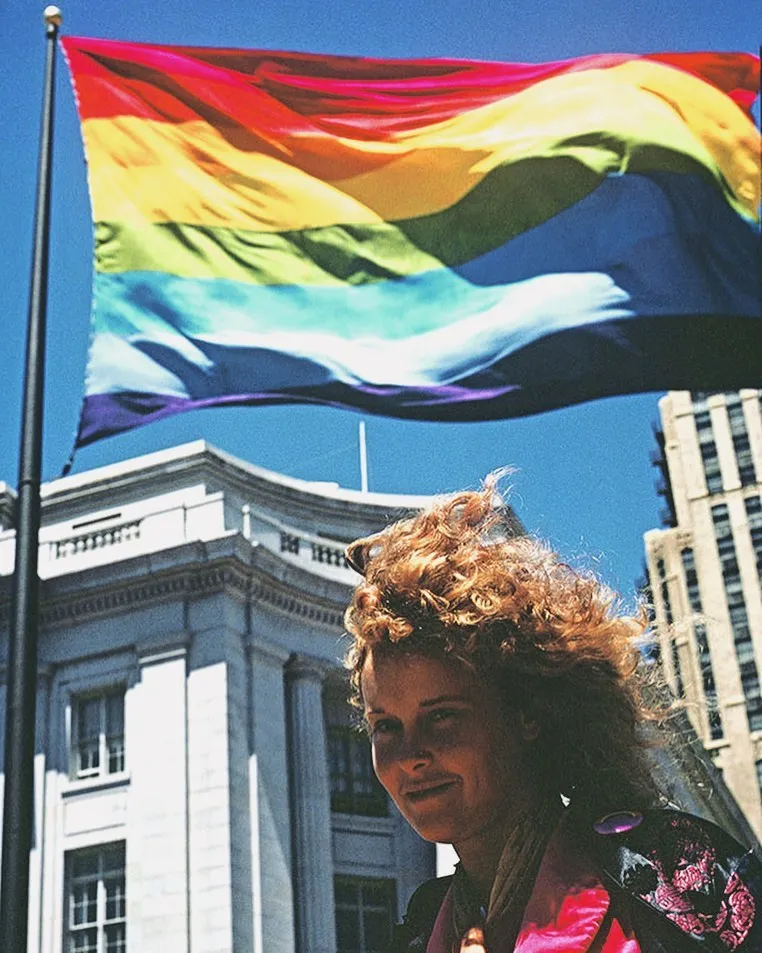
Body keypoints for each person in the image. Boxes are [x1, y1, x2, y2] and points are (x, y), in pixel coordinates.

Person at [343, 478, 762, 953]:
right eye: (386, 726)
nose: (411, 755)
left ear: (527, 711)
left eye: (441, 717)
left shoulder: (673, 875)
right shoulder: (419, 933)